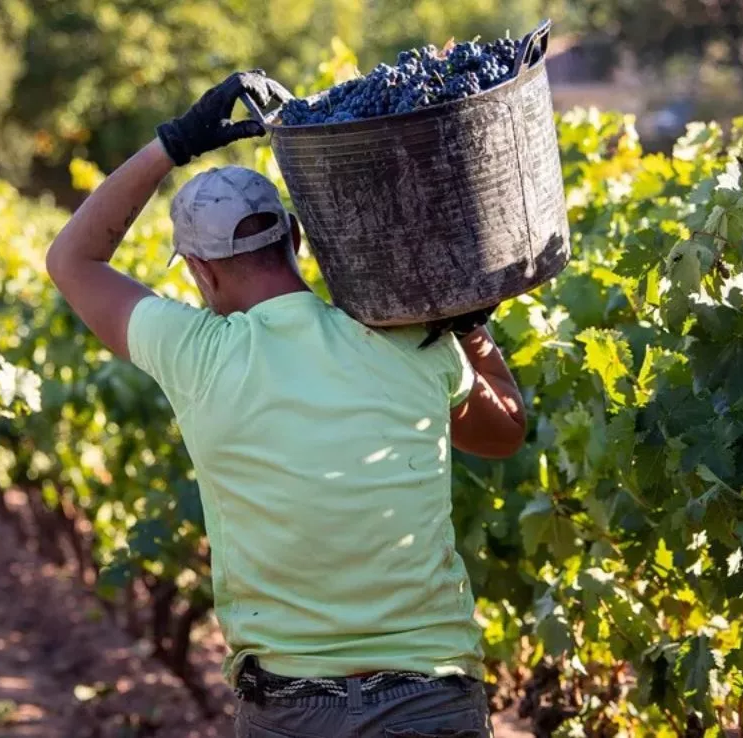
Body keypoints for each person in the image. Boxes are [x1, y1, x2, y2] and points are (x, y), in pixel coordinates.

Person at [45, 70, 527, 738]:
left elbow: (72, 261)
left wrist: (172, 145)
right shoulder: (407, 339)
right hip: (431, 698)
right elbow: (505, 432)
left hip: (294, 709)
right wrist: (468, 323)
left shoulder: (197, 355)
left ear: (200, 270)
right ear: (295, 239)